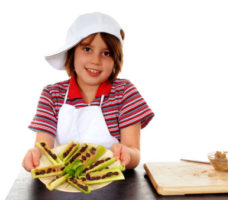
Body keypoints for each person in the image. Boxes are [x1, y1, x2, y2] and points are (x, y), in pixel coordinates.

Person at [22, 12, 154, 171]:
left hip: (113, 186)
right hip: (65, 186)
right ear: (72, 53)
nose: (96, 61)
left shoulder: (124, 93)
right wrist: (35, 155)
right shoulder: (52, 95)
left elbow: (134, 151)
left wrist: (127, 154)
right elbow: (44, 150)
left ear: (115, 60)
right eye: (87, 49)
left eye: (106, 53)